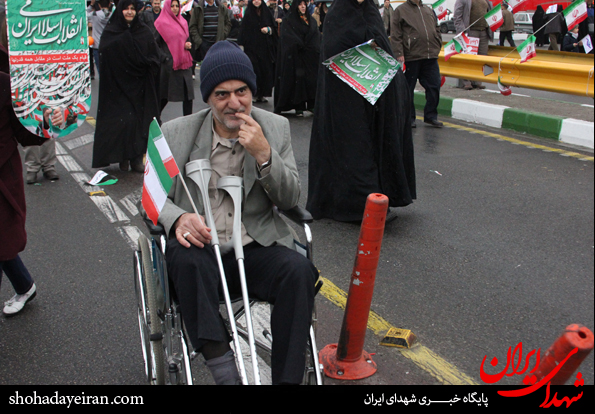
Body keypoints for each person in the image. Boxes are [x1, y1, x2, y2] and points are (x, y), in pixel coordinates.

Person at [157, 40, 317, 385]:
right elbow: (152, 198)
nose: (234, 103)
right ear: (209, 99)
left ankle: (287, 381)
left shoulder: (274, 128)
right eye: (222, 94)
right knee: (184, 259)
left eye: (241, 91)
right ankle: (223, 367)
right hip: (201, 252)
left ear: (251, 90)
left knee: (299, 271)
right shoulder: (177, 133)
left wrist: (263, 155)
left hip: (254, 245)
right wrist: (178, 218)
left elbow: (290, 197)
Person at [306, 0, 416, 223]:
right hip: (345, 99)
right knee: (355, 147)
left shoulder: (371, 13)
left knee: (378, 142)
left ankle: (382, 196)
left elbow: (382, 47)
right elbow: (334, 49)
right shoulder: (338, 15)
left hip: (374, 95)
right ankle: (358, 206)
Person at [0, 16, 63, 315]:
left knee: (2, 237)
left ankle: (24, 287)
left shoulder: (5, 82)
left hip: (2, 174)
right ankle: (24, 286)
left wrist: (50, 123)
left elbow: (24, 131)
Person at [92, 0, 161, 172]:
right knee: (122, 122)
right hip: (117, 87)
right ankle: (122, 156)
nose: (129, 12)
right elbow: (105, 54)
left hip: (140, 87)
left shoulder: (143, 31)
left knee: (138, 122)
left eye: (132, 9)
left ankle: (136, 158)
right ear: (120, 10)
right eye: (126, 9)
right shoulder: (112, 31)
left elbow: (154, 57)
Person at [390, 0, 443, 128]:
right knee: (408, 89)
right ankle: (409, 118)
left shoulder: (428, 9)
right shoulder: (400, 10)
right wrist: (399, 53)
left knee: (434, 85)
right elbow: (395, 34)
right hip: (411, 56)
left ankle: (431, 116)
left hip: (430, 56)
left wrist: (437, 41)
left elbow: (436, 27)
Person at [273, 0, 320, 115]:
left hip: (309, 57)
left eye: (305, 4)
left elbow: (315, 35)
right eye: (300, 4)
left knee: (311, 80)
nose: (303, 7)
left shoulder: (311, 20)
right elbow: (287, 37)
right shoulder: (289, 21)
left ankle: (311, 104)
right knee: (297, 82)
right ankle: (298, 105)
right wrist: (298, 44)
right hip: (295, 56)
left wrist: (311, 46)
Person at [155, 0, 195, 116]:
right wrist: (164, 58)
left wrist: (188, 44)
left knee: (188, 96)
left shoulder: (183, 22)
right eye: (172, 6)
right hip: (169, 67)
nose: (175, 8)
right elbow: (154, 44)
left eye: (177, 6)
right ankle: (153, 120)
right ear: (167, 7)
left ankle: (189, 122)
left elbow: (186, 38)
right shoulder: (160, 23)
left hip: (184, 64)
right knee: (164, 97)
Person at [237, 0, 277, 103]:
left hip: (265, 48)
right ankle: (254, 93)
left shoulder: (266, 12)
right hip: (252, 48)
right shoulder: (249, 13)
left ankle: (263, 93)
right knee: (254, 70)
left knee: (265, 70)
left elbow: (274, 27)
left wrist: (268, 29)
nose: (256, 1)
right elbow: (244, 30)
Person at [453, 0, 492, 90]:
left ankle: (477, 81)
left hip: (484, 32)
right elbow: (457, 16)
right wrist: (463, 31)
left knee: (482, 58)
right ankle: (466, 82)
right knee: (468, 58)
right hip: (470, 32)